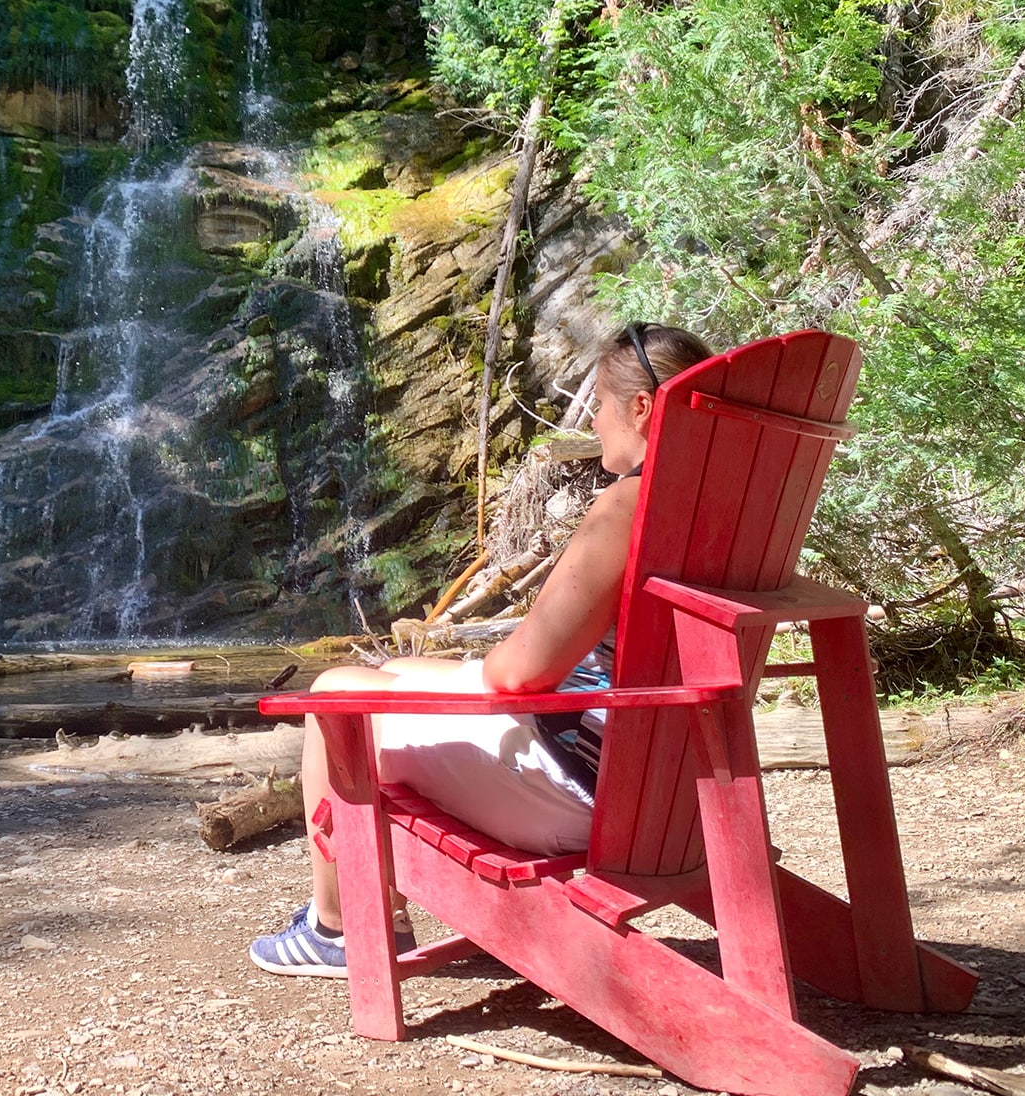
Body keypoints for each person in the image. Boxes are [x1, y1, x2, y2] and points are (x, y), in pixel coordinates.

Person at [249, 322, 714, 978]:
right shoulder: (716, 505)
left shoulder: (627, 506)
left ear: (641, 407)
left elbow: (522, 672)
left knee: (336, 697)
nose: (597, 419)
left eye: (602, 404)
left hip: (590, 792)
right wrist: (423, 677)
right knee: (392, 669)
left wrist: (464, 680)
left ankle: (339, 928)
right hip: (674, 785)